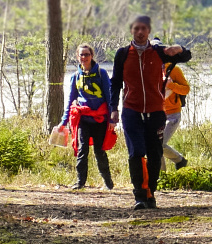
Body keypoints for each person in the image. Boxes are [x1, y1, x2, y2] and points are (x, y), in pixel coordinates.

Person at [109, 15, 192, 210]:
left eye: (143, 29)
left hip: (155, 112)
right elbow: (115, 84)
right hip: (131, 111)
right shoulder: (122, 54)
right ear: (131, 30)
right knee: (136, 152)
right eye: (136, 28)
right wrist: (113, 109)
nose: (140, 32)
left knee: (155, 155)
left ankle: (150, 193)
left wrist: (178, 48)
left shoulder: (159, 53)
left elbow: (186, 56)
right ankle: (139, 196)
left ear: (148, 31)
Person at [59, 43, 114, 190]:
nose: (84, 57)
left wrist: (112, 119)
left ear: (92, 56)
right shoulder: (75, 77)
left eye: (87, 55)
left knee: (99, 151)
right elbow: (71, 101)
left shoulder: (102, 74)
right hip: (83, 120)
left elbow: (109, 98)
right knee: (82, 150)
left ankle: (108, 183)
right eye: (81, 55)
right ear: (77, 56)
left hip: (100, 119)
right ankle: (80, 182)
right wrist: (63, 122)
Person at [161, 59, 190, 171]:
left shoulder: (174, 70)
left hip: (173, 114)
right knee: (154, 145)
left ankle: (179, 160)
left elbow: (186, 89)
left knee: (159, 144)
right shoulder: (149, 69)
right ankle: (161, 176)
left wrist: (171, 85)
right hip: (157, 114)